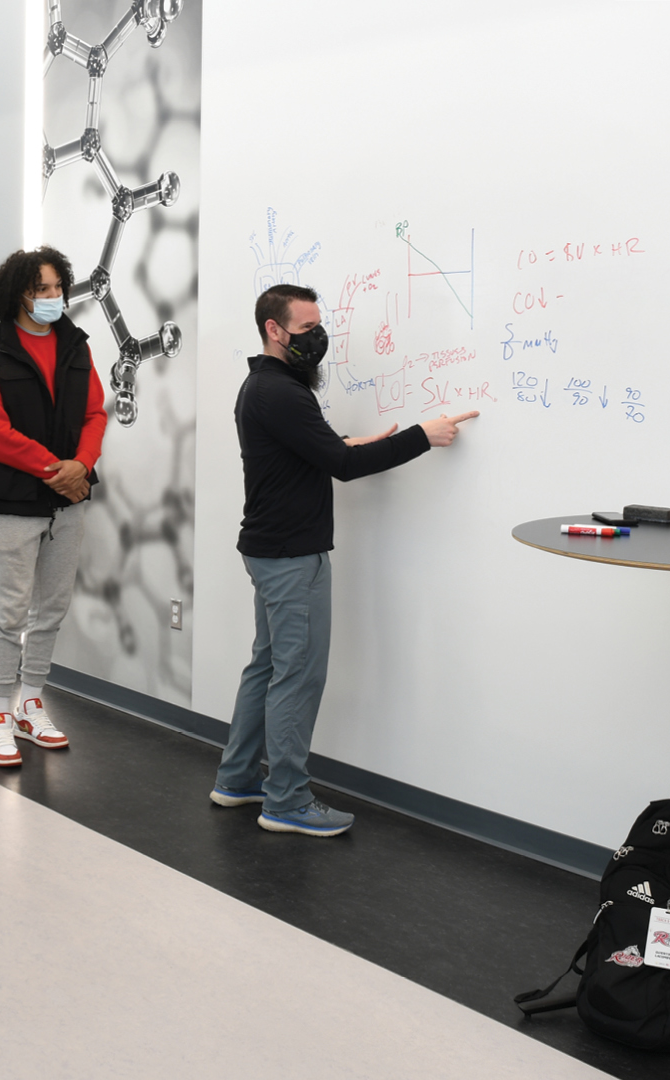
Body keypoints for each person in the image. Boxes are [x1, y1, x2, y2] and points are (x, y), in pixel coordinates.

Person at [211, 284, 477, 837]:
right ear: (273, 329)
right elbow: (340, 466)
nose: (318, 337)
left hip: (268, 550)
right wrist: (420, 437)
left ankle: (237, 779)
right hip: (291, 556)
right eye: (306, 329)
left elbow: (314, 450)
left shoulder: (264, 385)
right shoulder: (281, 391)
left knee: (266, 667)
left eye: (317, 325)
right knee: (297, 677)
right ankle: (284, 800)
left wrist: (352, 441)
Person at [0, 246, 108, 767]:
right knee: (9, 612)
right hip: (16, 501)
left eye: (56, 288)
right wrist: (59, 470)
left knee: (52, 608)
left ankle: (31, 701)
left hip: (69, 499)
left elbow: (95, 412)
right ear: (17, 294)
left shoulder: (76, 344)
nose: (52, 298)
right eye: (39, 289)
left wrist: (83, 464)